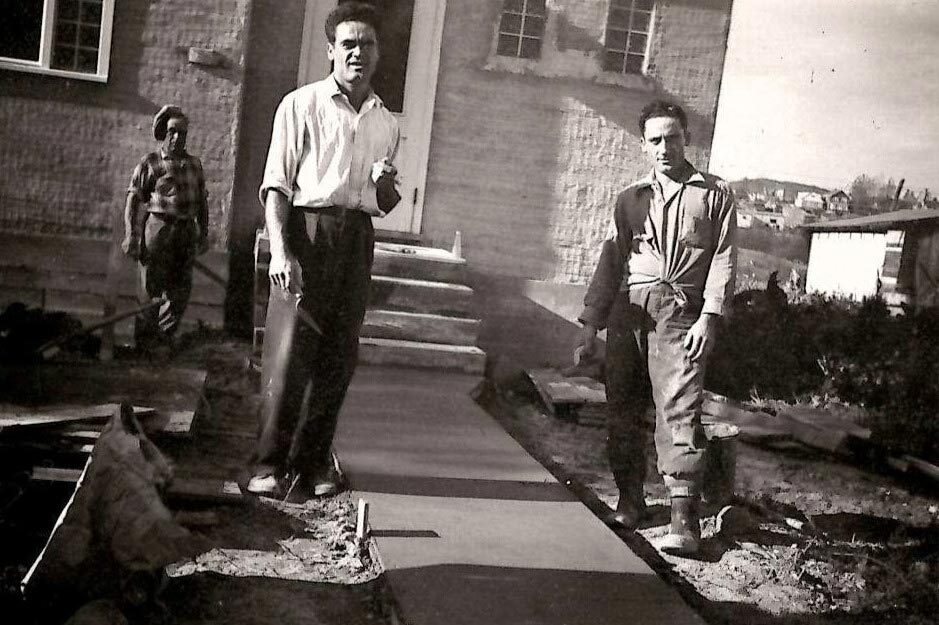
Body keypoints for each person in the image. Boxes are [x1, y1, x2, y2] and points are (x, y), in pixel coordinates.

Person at [247, 2, 401, 498]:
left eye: (367, 44)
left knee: (338, 357)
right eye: (348, 43)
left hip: (356, 240)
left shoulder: (386, 123)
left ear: (379, 53)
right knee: (291, 353)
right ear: (331, 50)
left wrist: (387, 187)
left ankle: (313, 465)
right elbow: (276, 185)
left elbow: (383, 204)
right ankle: (268, 465)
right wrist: (280, 251)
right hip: (307, 233)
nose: (358, 52)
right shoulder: (301, 105)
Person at [576, 100, 737, 556]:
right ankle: (630, 500)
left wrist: (710, 315)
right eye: (655, 140)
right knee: (621, 405)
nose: (665, 147)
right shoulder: (630, 199)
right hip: (629, 310)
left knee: (679, 407)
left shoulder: (714, 194)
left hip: (681, 312)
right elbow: (611, 263)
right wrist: (590, 325)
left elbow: (724, 258)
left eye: (674, 137)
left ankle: (683, 522)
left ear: (687, 138)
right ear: (644, 145)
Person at [123, 106, 209, 357]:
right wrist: (131, 235)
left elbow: (202, 202)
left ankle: (164, 339)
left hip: (185, 231)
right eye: (172, 132)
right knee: (150, 288)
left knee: (180, 290)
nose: (177, 138)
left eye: (182, 133)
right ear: (163, 133)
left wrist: (203, 233)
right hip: (158, 230)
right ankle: (144, 345)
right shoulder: (150, 162)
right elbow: (133, 199)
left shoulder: (194, 165)